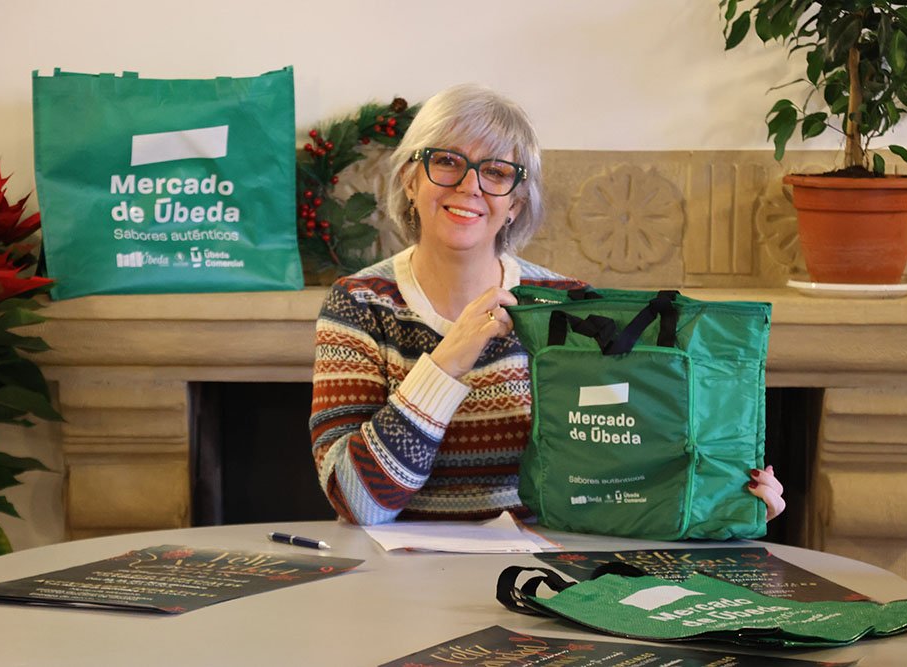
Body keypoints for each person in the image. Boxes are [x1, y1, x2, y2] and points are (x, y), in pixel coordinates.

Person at [309, 83, 785, 525]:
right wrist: (447, 361)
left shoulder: (568, 307)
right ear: (411, 180)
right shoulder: (360, 303)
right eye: (447, 161)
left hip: (536, 572)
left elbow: (618, 471)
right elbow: (358, 501)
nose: (470, 185)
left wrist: (726, 497)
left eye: (495, 171)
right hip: (397, 581)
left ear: (515, 203)